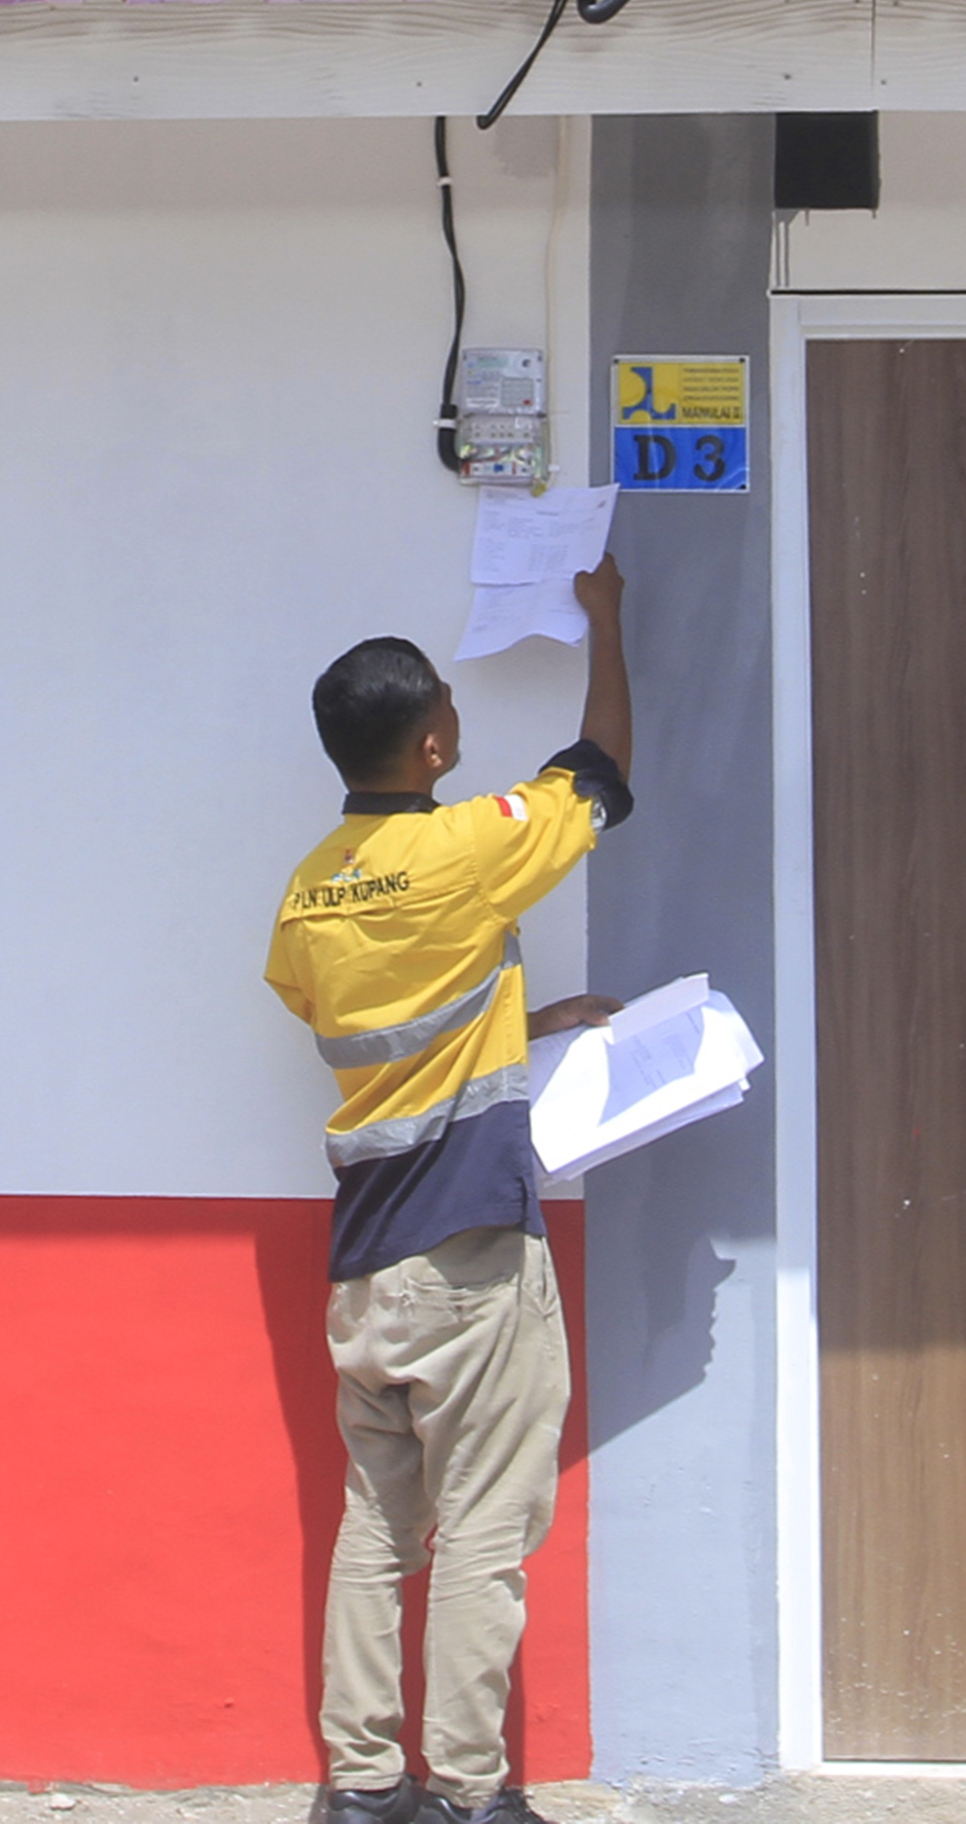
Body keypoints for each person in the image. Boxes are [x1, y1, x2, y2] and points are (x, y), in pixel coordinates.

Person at [265, 556, 634, 1824]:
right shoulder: (469, 850)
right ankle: (469, 1794)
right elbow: (599, 774)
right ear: (434, 741)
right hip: (471, 1249)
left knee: (374, 1527)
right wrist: (607, 619)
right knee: (480, 1530)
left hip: (366, 1262)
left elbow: (379, 1025)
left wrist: (526, 1021)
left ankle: (362, 1789)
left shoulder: (309, 890)